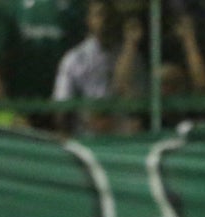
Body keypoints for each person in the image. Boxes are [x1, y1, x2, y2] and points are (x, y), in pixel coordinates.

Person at [51, 0, 145, 135]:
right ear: (89, 20)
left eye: (110, 15)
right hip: (86, 137)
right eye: (99, 15)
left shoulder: (132, 57)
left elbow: (138, 104)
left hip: (123, 140)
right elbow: (61, 108)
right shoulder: (74, 59)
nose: (105, 20)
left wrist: (131, 45)